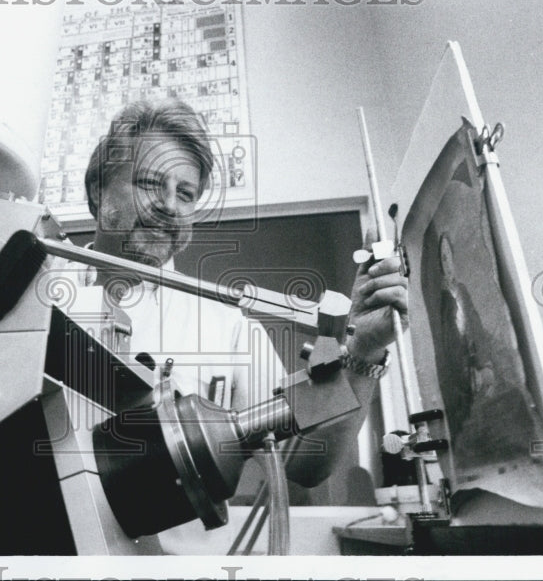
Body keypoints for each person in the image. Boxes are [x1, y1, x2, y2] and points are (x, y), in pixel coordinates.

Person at [70, 98, 408, 551]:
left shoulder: (224, 325)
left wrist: (363, 353)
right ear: (98, 191)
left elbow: (305, 463)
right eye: (150, 183)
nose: (169, 206)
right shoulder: (37, 298)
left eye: (185, 194)